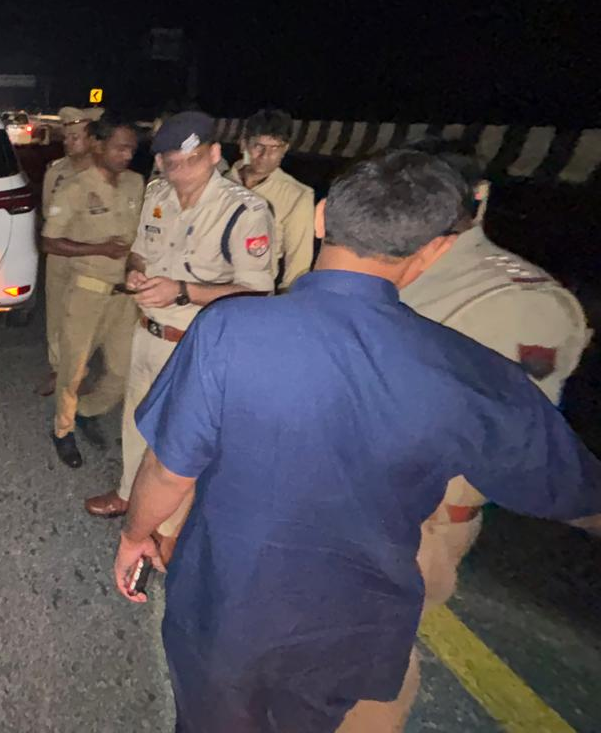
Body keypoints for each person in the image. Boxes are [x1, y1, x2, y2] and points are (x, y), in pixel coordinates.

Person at [112, 149, 601, 733]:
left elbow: (169, 471)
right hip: (350, 627)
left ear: (321, 218)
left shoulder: (231, 328)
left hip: (225, 607)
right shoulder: (472, 372)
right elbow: (573, 493)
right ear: (433, 250)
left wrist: (136, 535)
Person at [336, 139, 594, 732]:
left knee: (366, 670)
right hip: (340, 503)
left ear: (477, 198)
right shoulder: (385, 256)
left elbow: (509, 443)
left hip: (411, 520)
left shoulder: (518, 300)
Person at [84, 112, 274, 563]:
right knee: (136, 421)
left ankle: (166, 529)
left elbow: (258, 290)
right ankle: (129, 494)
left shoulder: (244, 210)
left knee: (179, 442)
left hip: (196, 341)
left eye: (192, 160)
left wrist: (183, 291)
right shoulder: (157, 195)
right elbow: (140, 252)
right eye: (172, 163)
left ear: (214, 154)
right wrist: (135, 273)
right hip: (147, 331)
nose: (181, 172)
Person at [40, 117, 144, 467]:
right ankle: (63, 430)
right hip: (87, 291)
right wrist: (99, 249)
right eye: (120, 148)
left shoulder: (136, 183)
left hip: (125, 296)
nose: (127, 155)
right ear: (98, 145)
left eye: (132, 149)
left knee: (122, 371)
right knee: (72, 370)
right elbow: (50, 241)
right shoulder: (75, 187)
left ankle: (86, 410)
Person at [35, 105, 104, 397]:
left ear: (92, 139)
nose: (68, 142)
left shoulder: (107, 172)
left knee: (86, 317)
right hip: (60, 254)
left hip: (93, 256)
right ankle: (58, 369)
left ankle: (78, 370)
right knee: (56, 314)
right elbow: (47, 211)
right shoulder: (56, 171)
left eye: (75, 136)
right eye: (66, 136)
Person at [226, 108, 316, 289]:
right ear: (243, 145)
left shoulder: (297, 196)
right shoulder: (218, 183)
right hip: (203, 289)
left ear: (285, 149)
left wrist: (286, 300)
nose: (265, 155)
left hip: (253, 294)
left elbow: (298, 265)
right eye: (258, 146)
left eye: (275, 148)